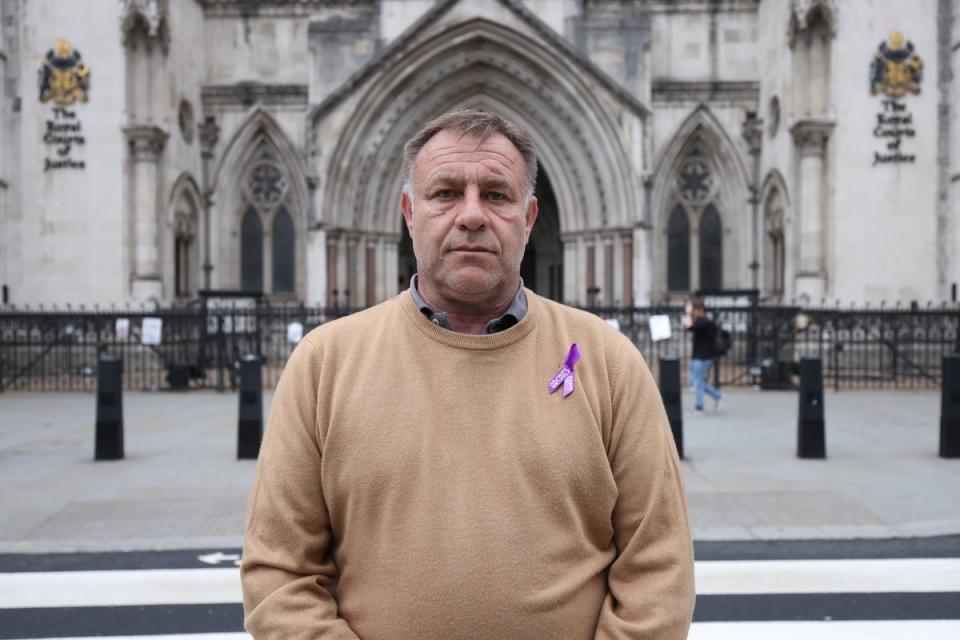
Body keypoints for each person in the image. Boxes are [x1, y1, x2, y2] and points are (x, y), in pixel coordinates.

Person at [240, 110, 695, 639]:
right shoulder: (324, 364)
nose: (472, 215)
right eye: (446, 193)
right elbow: (279, 574)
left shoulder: (607, 360)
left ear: (529, 218)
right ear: (409, 212)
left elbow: (658, 568)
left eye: (497, 195)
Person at [683, 297, 724, 412]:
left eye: (693, 309)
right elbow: (688, 328)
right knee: (696, 381)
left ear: (699, 309)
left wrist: (689, 315)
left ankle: (699, 406)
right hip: (699, 356)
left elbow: (690, 327)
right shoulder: (702, 322)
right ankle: (717, 395)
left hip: (702, 357)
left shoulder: (705, 322)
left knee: (698, 382)